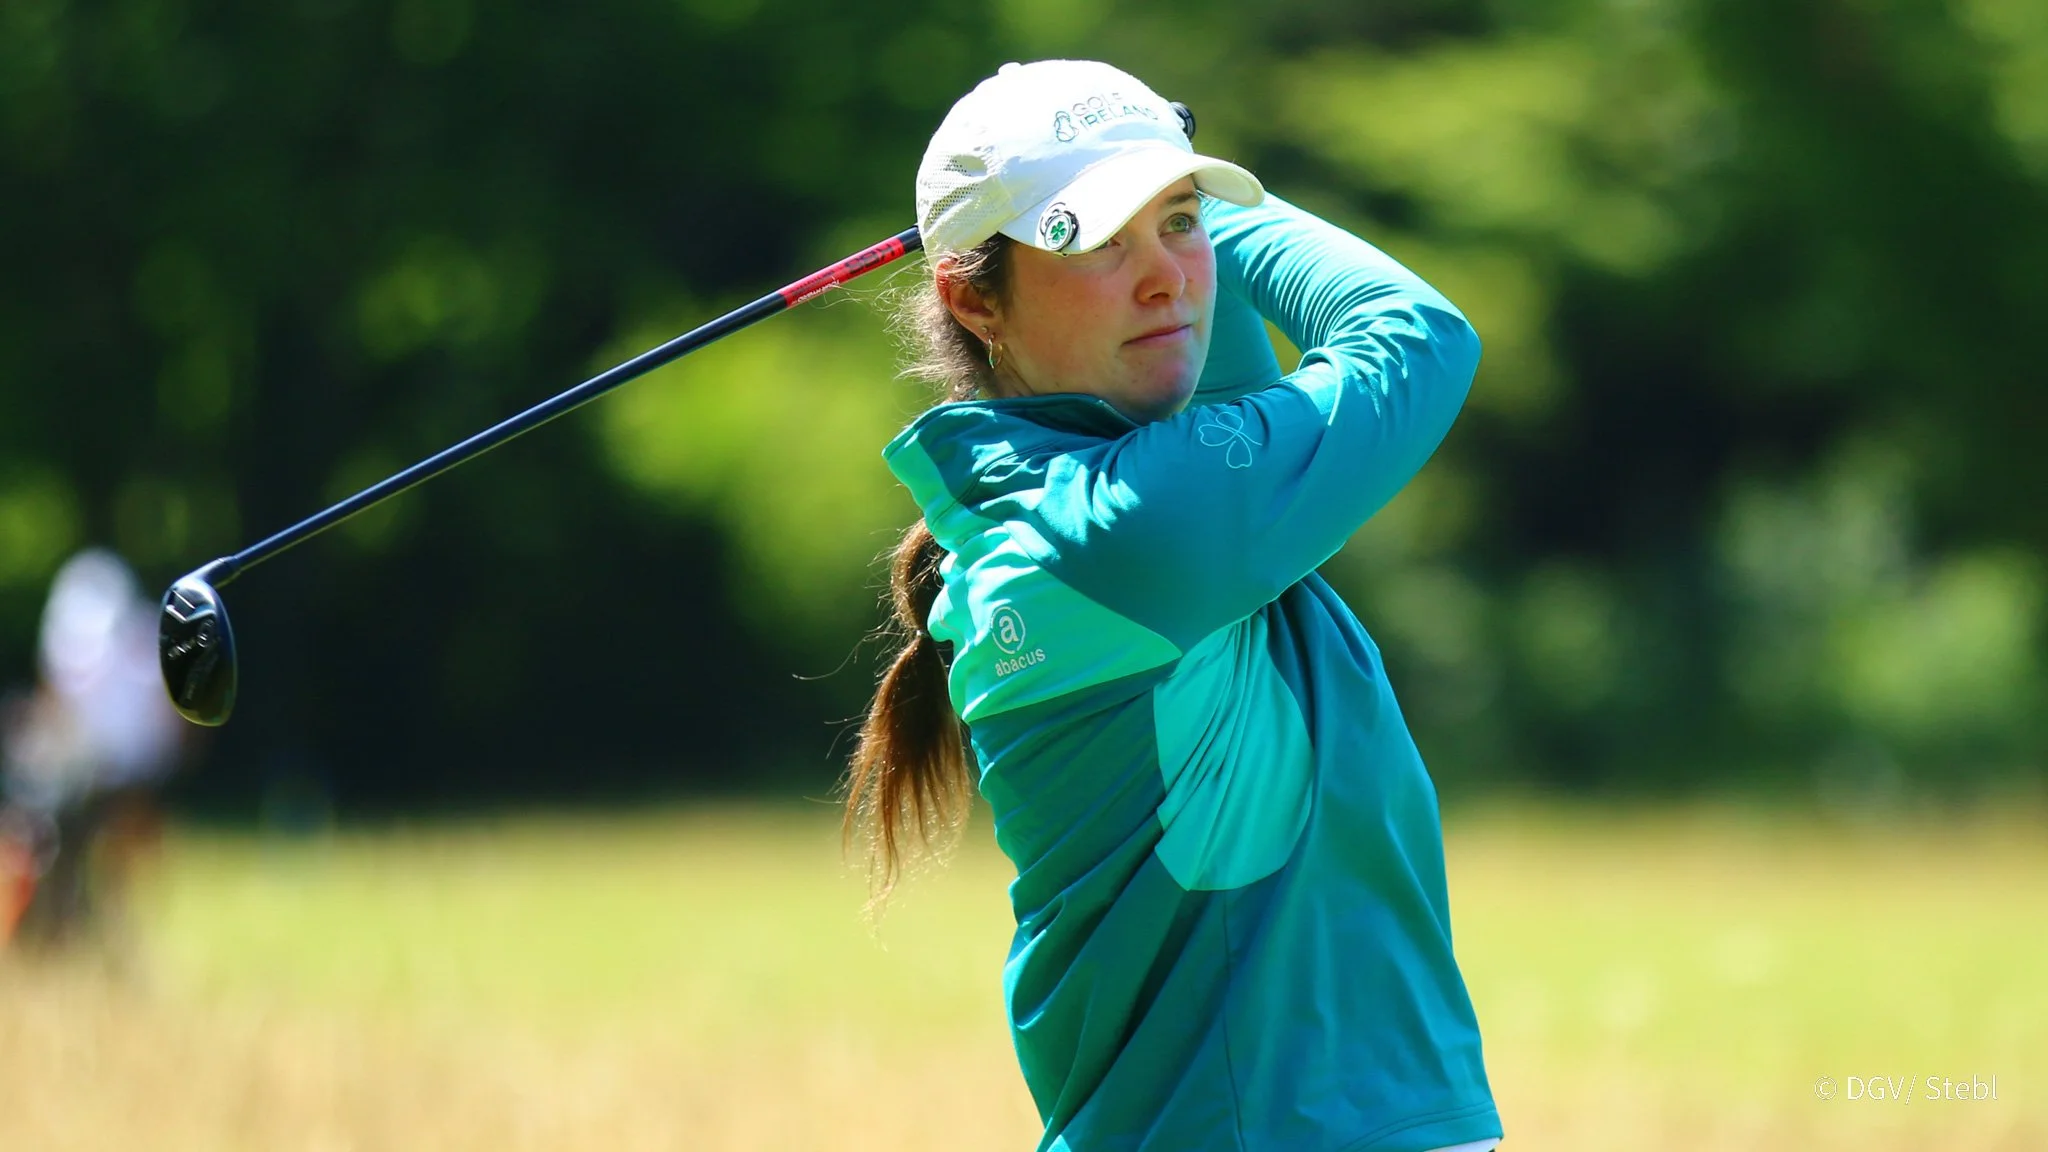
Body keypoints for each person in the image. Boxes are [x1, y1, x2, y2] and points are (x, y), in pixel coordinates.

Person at [842, 59, 1502, 1152]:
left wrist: (1154, 189)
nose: (1162, 279)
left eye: (1178, 227)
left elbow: (1217, 364)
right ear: (968, 295)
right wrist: (1205, 203)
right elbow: (1415, 335)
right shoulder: (1129, 527)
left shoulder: (1049, 515)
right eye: (1098, 242)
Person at [0, 548, 188, 950]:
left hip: (93, 781)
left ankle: (50, 931)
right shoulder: (147, 634)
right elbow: (169, 726)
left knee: (37, 835)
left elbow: (61, 705)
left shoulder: (83, 640)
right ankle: (66, 930)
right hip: (128, 778)